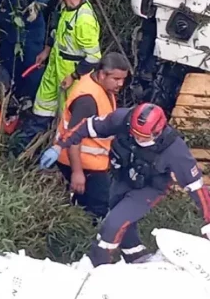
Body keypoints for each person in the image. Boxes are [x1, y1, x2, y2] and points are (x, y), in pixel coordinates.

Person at [40, 103, 210, 267]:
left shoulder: (174, 149)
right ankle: (137, 259)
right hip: (122, 177)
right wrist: (59, 146)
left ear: (158, 131)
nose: (138, 139)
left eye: (143, 137)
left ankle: (95, 265)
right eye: (135, 133)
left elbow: (196, 187)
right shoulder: (121, 119)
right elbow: (85, 126)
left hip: (149, 188)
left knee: (113, 224)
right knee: (121, 219)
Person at [13, 0, 101, 154]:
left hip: (71, 76)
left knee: (66, 121)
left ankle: (56, 159)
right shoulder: (65, 8)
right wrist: (46, 50)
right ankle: (20, 151)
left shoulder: (84, 19)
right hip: (54, 67)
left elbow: (93, 58)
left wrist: (74, 76)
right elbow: (57, 32)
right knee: (41, 111)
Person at [54, 52, 129, 220]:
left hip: (91, 162)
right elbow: (74, 138)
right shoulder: (87, 100)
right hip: (83, 163)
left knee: (85, 206)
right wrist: (77, 172)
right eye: (116, 79)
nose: (121, 84)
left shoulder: (98, 85)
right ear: (102, 74)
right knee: (97, 210)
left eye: (123, 79)